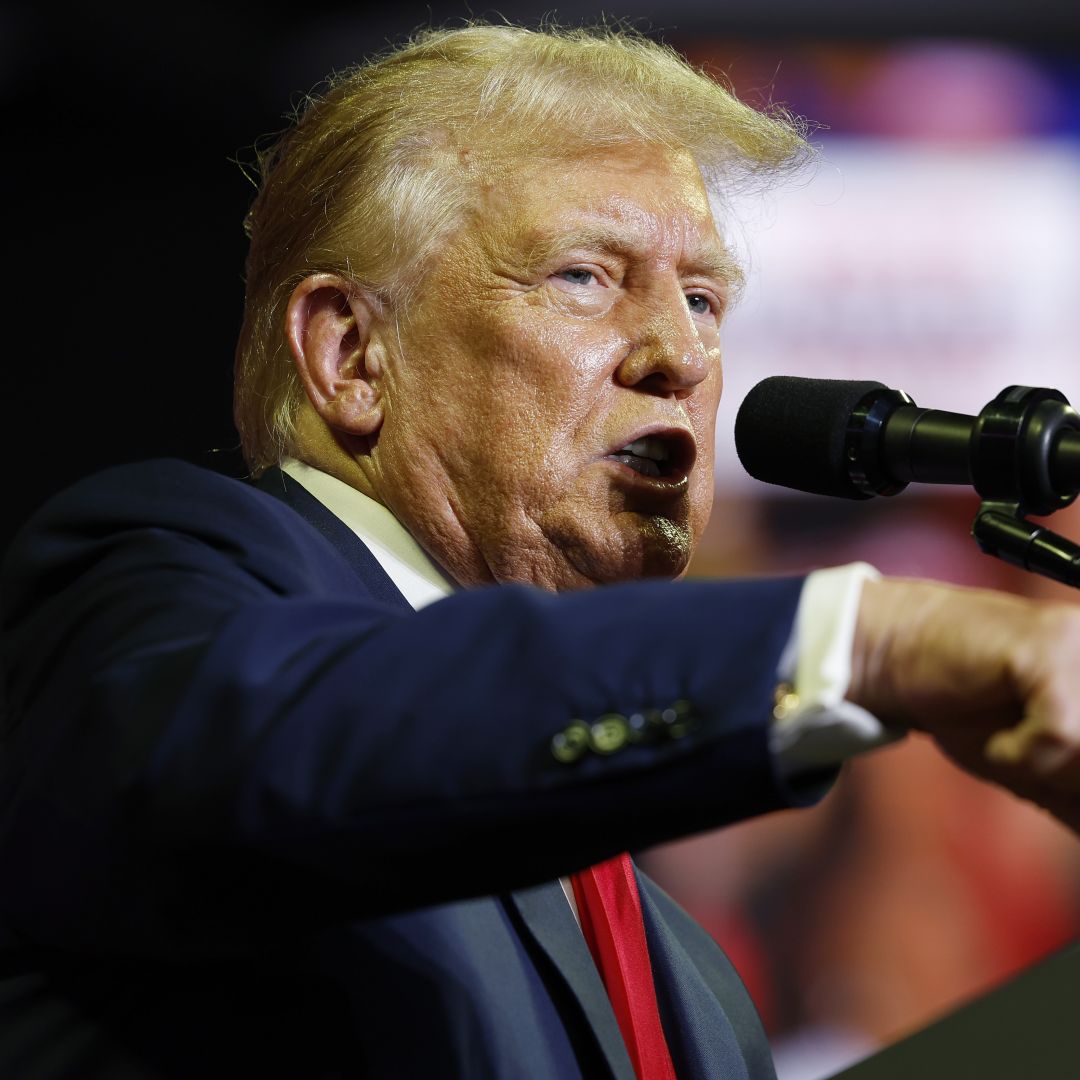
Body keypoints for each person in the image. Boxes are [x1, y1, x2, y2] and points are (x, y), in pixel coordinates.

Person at [1, 23, 1078, 1080]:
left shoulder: (690, 984)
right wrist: (871, 640)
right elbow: (318, 733)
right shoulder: (142, 592)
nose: (682, 357)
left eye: (703, 299)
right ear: (351, 354)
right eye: (585, 277)